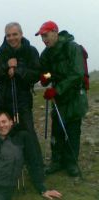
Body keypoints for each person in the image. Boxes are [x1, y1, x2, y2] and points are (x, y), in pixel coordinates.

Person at [35, 21, 88, 176]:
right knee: (56, 130)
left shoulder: (72, 48)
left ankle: (71, 163)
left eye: (46, 35)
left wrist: (56, 90)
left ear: (55, 33)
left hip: (74, 95)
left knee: (72, 129)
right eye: (42, 36)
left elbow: (77, 74)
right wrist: (45, 78)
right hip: (58, 97)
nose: (44, 39)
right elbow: (48, 73)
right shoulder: (46, 54)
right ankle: (56, 161)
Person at [0, 22, 42, 161]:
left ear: (21, 34)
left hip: (23, 100)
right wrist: (6, 66)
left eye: (14, 34)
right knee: (7, 134)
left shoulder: (30, 51)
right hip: (3, 100)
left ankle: (36, 166)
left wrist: (18, 70)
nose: (11, 38)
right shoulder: (1, 53)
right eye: (8, 35)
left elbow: (37, 74)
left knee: (28, 133)